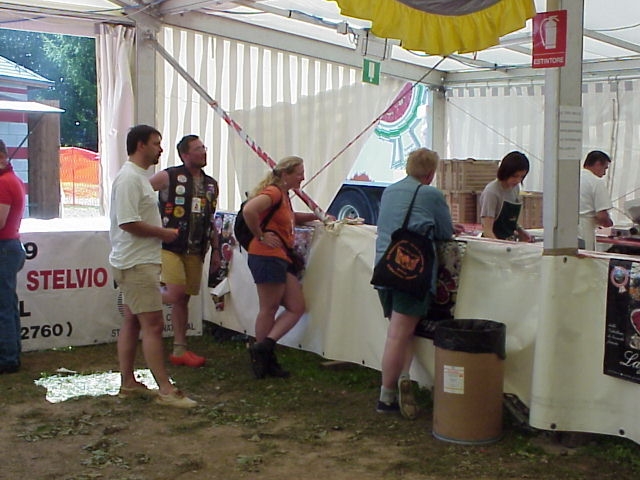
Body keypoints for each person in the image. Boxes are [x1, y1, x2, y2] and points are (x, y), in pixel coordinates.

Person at [109, 124, 196, 408]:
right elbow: (128, 222)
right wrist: (164, 233)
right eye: (156, 143)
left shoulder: (138, 178)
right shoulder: (129, 179)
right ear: (140, 145)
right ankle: (166, 389)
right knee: (153, 324)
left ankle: (128, 382)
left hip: (139, 260)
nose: (161, 149)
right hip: (136, 263)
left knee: (133, 320)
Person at [374, 148, 458, 419]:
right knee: (398, 335)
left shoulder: (389, 191)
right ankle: (386, 396)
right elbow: (445, 232)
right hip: (411, 271)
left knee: (401, 332)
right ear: (431, 173)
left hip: (384, 267)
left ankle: (403, 380)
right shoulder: (431, 194)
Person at [241, 156, 319, 379]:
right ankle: (263, 355)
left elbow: (289, 218)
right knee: (269, 307)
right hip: (266, 255)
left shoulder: (282, 195)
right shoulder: (274, 193)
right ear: (285, 174)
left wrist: (316, 215)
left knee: (296, 306)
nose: (302, 177)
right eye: (299, 173)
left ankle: (264, 348)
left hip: (279, 257)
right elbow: (249, 210)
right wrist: (260, 235)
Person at [149, 134, 219, 368]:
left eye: (204, 148)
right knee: (176, 294)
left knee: (183, 299)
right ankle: (140, 292)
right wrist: (152, 226)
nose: (203, 152)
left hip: (196, 248)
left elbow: (211, 219)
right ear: (184, 154)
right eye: (198, 149)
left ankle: (180, 349)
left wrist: (216, 248)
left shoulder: (211, 184)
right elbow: (140, 192)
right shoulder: (168, 176)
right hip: (169, 245)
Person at [0, 139, 27, 374]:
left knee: (3, 306)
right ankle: (11, 353)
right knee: (7, 304)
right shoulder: (12, 179)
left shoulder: (4, 183)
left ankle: (8, 357)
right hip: (10, 246)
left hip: (4, 247)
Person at [478, 151, 533, 242]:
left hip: (509, 240)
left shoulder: (515, 188)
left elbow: (510, 220)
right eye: (514, 176)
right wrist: (500, 246)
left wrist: (521, 231)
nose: (518, 180)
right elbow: (487, 230)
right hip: (493, 242)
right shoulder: (492, 192)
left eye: (521, 177)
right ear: (505, 172)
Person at [578, 150, 613, 250]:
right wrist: (609, 223)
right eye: (604, 168)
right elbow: (602, 216)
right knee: (584, 258)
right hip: (584, 230)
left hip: (565, 229)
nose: (604, 173)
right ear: (598, 164)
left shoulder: (572, 177)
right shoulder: (596, 182)